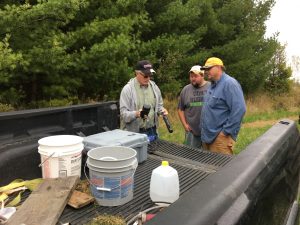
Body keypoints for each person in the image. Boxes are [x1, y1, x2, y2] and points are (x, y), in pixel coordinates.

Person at [200, 57, 246, 155]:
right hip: (207, 138)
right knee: (208, 169)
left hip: (220, 140)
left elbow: (239, 110)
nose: (206, 72)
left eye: (209, 69)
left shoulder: (230, 83)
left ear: (219, 67)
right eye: (205, 70)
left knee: (222, 169)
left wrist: (225, 132)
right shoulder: (211, 85)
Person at [119, 60, 168, 141]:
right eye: (145, 76)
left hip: (152, 131)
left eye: (150, 75)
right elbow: (123, 115)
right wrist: (137, 114)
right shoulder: (127, 89)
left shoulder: (154, 87)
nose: (148, 78)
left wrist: (162, 110)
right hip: (134, 134)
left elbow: (159, 106)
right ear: (137, 73)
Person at [178, 65, 210, 148]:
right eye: (191, 76)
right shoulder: (186, 90)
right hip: (191, 132)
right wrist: (185, 125)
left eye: (195, 76)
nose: (193, 78)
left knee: (208, 157)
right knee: (191, 156)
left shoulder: (211, 87)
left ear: (202, 75)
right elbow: (180, 109)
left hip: (209, 131)